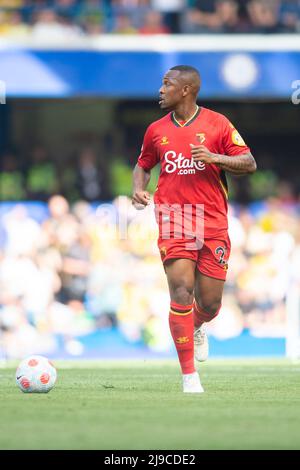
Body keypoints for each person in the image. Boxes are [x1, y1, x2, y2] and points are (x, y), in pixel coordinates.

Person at [132, 65, 257, 393]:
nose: (161, 90)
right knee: (181, 291)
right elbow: (143, 165)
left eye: (166, 84)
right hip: (174, 218)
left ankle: (197, 325)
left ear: (185, 90)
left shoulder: (218, 124)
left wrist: (215, 157)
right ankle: (189, 377)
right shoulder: (155, 130)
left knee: (211, 303)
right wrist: (138, 188)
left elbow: (249, 163)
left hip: (213, 221)